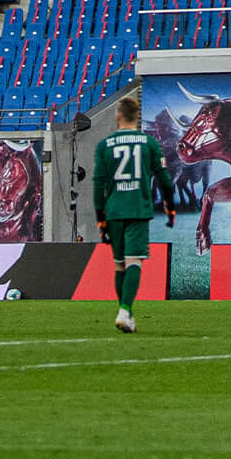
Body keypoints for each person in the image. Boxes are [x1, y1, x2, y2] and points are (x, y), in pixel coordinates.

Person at [93, 94, 176, 334]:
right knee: (135, 262)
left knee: (119, 265)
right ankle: (124, 310)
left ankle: (126, 314)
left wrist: (100, 218)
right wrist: (170, 206)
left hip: (114, 210)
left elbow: (98, 185)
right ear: (137, 117)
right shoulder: (149, 143)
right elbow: (164, 178)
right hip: (137, 209)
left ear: (118, 116)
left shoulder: (104, 145)